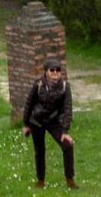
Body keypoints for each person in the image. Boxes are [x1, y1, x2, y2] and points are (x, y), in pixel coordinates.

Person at [22, 57, 76, 190]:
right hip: (37, 121)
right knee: (39, 151)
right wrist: (26, 124)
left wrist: (65, 131)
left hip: (54, 122)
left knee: (67, 146)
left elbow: (67, 108)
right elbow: (29, 103)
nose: (56, 73)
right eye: (52, 70)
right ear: (46, 72)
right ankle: (41, 181)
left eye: (58, 70)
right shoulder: (38, 84)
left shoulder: (65, 86)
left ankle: (70, 179)